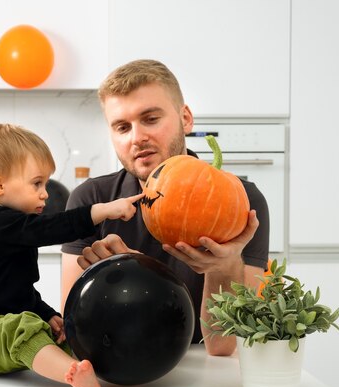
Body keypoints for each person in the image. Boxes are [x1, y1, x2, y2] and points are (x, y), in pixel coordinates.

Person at [60, 59, 270, 357]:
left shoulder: (243, 202)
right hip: (121, 366)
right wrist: (130, 273)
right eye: (122, 127)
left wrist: (224, 267)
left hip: (203, 370)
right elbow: (74, 334)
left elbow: (223, 347)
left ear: (186, 118)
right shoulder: (90, 199)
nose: (136, 137)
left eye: (150, 118)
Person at [0, 123, 143, 387]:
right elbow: (50, 228)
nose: (45, 193)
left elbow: (18, 291)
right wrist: (101, 211)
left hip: (5, 329)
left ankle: (86, 366)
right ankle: (71, 375)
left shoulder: (15, 231)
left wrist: (48, 314)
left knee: (60, 333)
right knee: (22, 326)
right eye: (36, 183)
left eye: (46, 183)